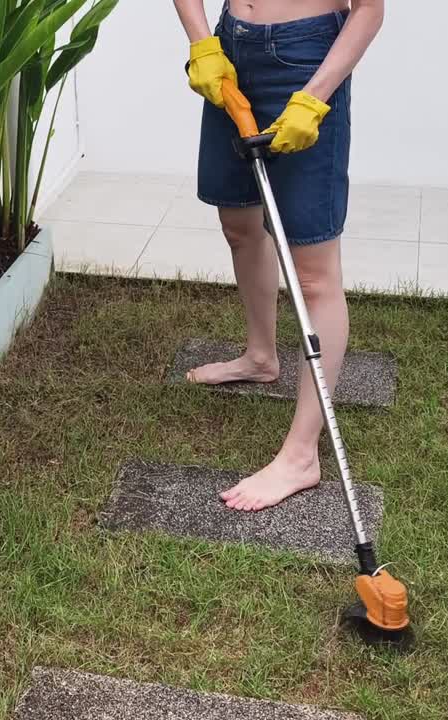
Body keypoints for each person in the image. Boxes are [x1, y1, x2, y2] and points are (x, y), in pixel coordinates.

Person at [172, 0, 384, 511]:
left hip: (306, 61)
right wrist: (202, 44)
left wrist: (314, 98)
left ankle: (302, 455)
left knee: (314, 275)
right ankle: (260, 357)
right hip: (230, 48)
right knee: (239, 224)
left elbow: (370, 10)